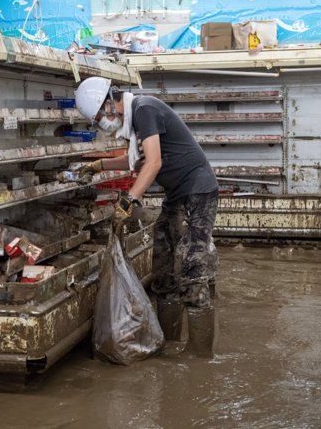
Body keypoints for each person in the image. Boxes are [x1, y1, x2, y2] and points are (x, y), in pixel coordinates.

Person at [75, 76, 219, 358]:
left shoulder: (144, 110)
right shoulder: (135, 123)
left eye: (98, 117)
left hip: (199, 190)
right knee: (163, 266)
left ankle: (200, 352)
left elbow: (154, 163)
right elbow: (137, 162)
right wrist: (98, 165)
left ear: (108, 104)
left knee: (192, 264)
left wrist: (130, 200)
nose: (101, 124)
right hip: (177, 193)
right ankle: (170, 341)